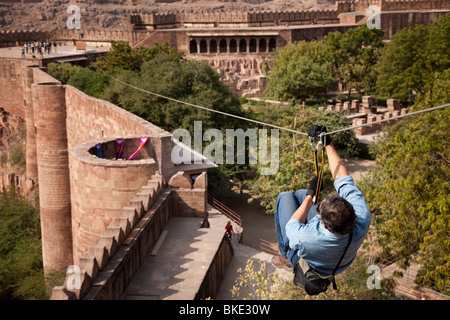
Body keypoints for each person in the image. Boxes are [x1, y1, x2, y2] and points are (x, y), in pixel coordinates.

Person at [272, 125, 371, 280]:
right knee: (299, 194)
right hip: (337, 257)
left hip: (309, 262)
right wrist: (327, 143)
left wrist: (310, 196)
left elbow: (292, 225)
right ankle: (304, 197)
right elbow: (343, 180)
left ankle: (285, 254)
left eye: (320, 208)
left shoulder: (307, 237)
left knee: (285, 196)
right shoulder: (362, 215)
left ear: (323, 224)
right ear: (350, 208)